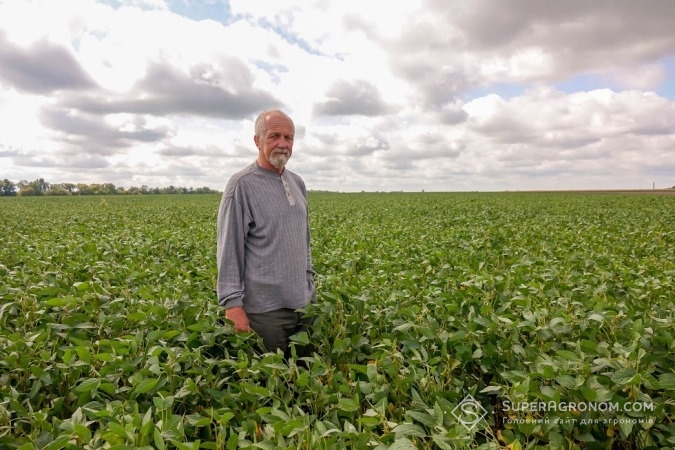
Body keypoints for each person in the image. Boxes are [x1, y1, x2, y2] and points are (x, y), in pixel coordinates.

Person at [216, 109, 316, 358]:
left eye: (288, 137)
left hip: (303, 305)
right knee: (272, 384)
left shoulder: (298, 182)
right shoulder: (242, 185)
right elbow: (229, 249)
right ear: (257, 140)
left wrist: (310, 286)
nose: (283, 144)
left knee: (305, 381)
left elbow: (304, 241)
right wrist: (232, 305)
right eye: (274, 136)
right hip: (265, 312)